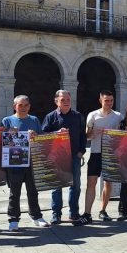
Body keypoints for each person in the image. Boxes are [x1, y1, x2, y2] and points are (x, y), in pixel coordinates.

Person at [2, 95, 50, 231]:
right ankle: (13, 219)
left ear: (29, 106)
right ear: (14, 106)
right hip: (14, 161)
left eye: (25, 105)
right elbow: (1, 141)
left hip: (32, 160)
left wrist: (36, 135)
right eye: (20, 105)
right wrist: (9, 133)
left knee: (33, 191)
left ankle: (36, 216)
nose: (23, 108)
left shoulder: (34, 120)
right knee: (14, 192)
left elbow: (41, 138)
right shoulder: (7, 121)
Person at [77, 90, 123, 225]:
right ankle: (87, 213)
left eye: (111, 101)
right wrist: (92, 133)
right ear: (100, 101)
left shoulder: (118, 116)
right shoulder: (93, 115)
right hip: (96, 152)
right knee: (91, 183)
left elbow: (123, 134)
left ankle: (103, 210)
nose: (109, 103)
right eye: (106, 100)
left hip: (111, 153)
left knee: (108, 183)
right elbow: (86, 135)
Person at [41, 90, 86, 224]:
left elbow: (83, 135)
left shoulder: (78, 116)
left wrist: (81, 151)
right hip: (57, 158)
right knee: (57, 186)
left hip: (74, 156)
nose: (66, 102)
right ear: (56, 101)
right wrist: (56, 133)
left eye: (67, 100)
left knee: (75, 185)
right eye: (62, 100)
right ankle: (56, 214)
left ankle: (74, 213)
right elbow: (43, 135)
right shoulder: (51, 117)